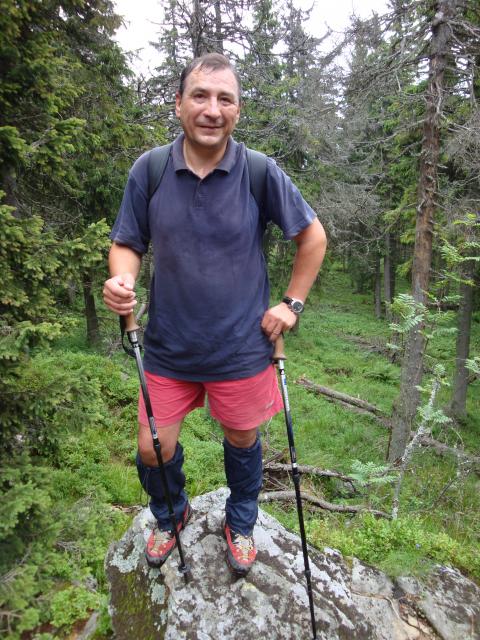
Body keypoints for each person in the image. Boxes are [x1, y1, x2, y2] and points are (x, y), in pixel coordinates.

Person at [103, 52, 327, 576]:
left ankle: (241, 519)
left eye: (225, 99)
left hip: (242, 347)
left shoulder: (258, 171)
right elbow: (127, 242)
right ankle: (171, 512)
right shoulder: (151, 169)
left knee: (243, 439)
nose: (212, 109)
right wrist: (122, 279)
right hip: (168, 347)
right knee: (152, 449)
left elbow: (312, 237)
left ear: (238, 110)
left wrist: (291, 304)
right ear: (178, 103)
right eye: (200, 96)